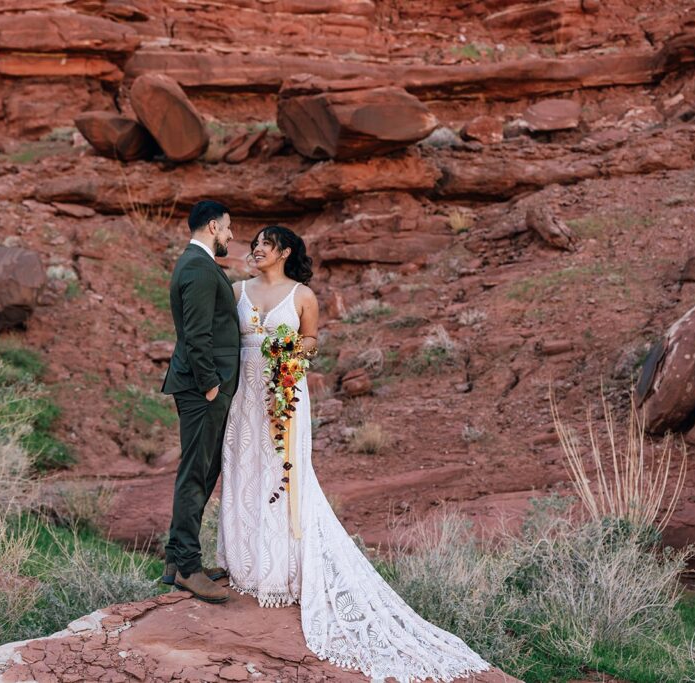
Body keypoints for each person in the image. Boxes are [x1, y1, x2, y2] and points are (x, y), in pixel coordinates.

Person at [216, 225, 491, 681]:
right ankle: (244, 564)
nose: (257, 248)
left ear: (284, 251)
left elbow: (311, 342)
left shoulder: (303, 296)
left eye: (266, 243)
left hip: (284, 395)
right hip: (244, 397)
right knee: (244, 469)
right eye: (255, 242)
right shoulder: (237, 290)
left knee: (283, 473)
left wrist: (288, 358)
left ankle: (280, 569)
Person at [160, 199, 238, 604]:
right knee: (196, 471)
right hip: (202, 388)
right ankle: (188, 568)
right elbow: (197, 334)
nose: (230, 235)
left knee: (204, 470)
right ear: (212, 226)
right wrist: (211, 384)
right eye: (227, 228)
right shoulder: (197, 266)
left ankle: (177, 560)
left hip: (204, 386)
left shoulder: (200, 264)